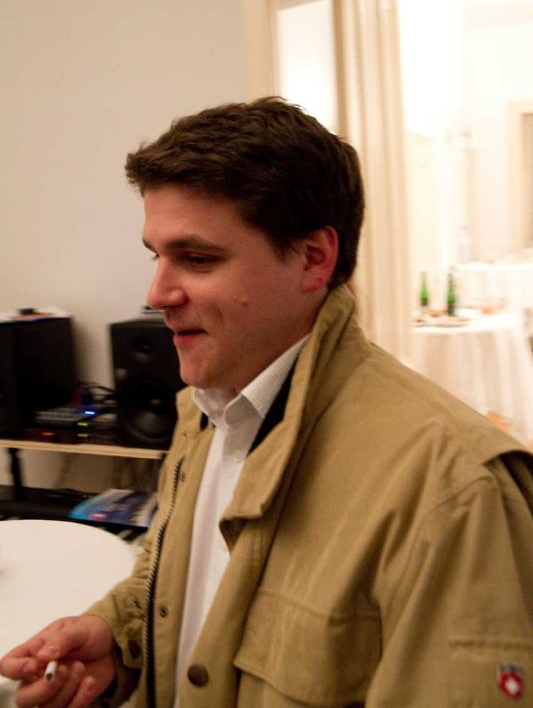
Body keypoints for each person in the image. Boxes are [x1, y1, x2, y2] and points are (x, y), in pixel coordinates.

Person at [1, 97, 532, 708]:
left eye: (197, 259)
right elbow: (185, 578)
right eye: (157, 255)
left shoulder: (454, 490)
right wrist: (116, 636)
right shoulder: (204, 409)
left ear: (313, 259)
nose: (157, 293)